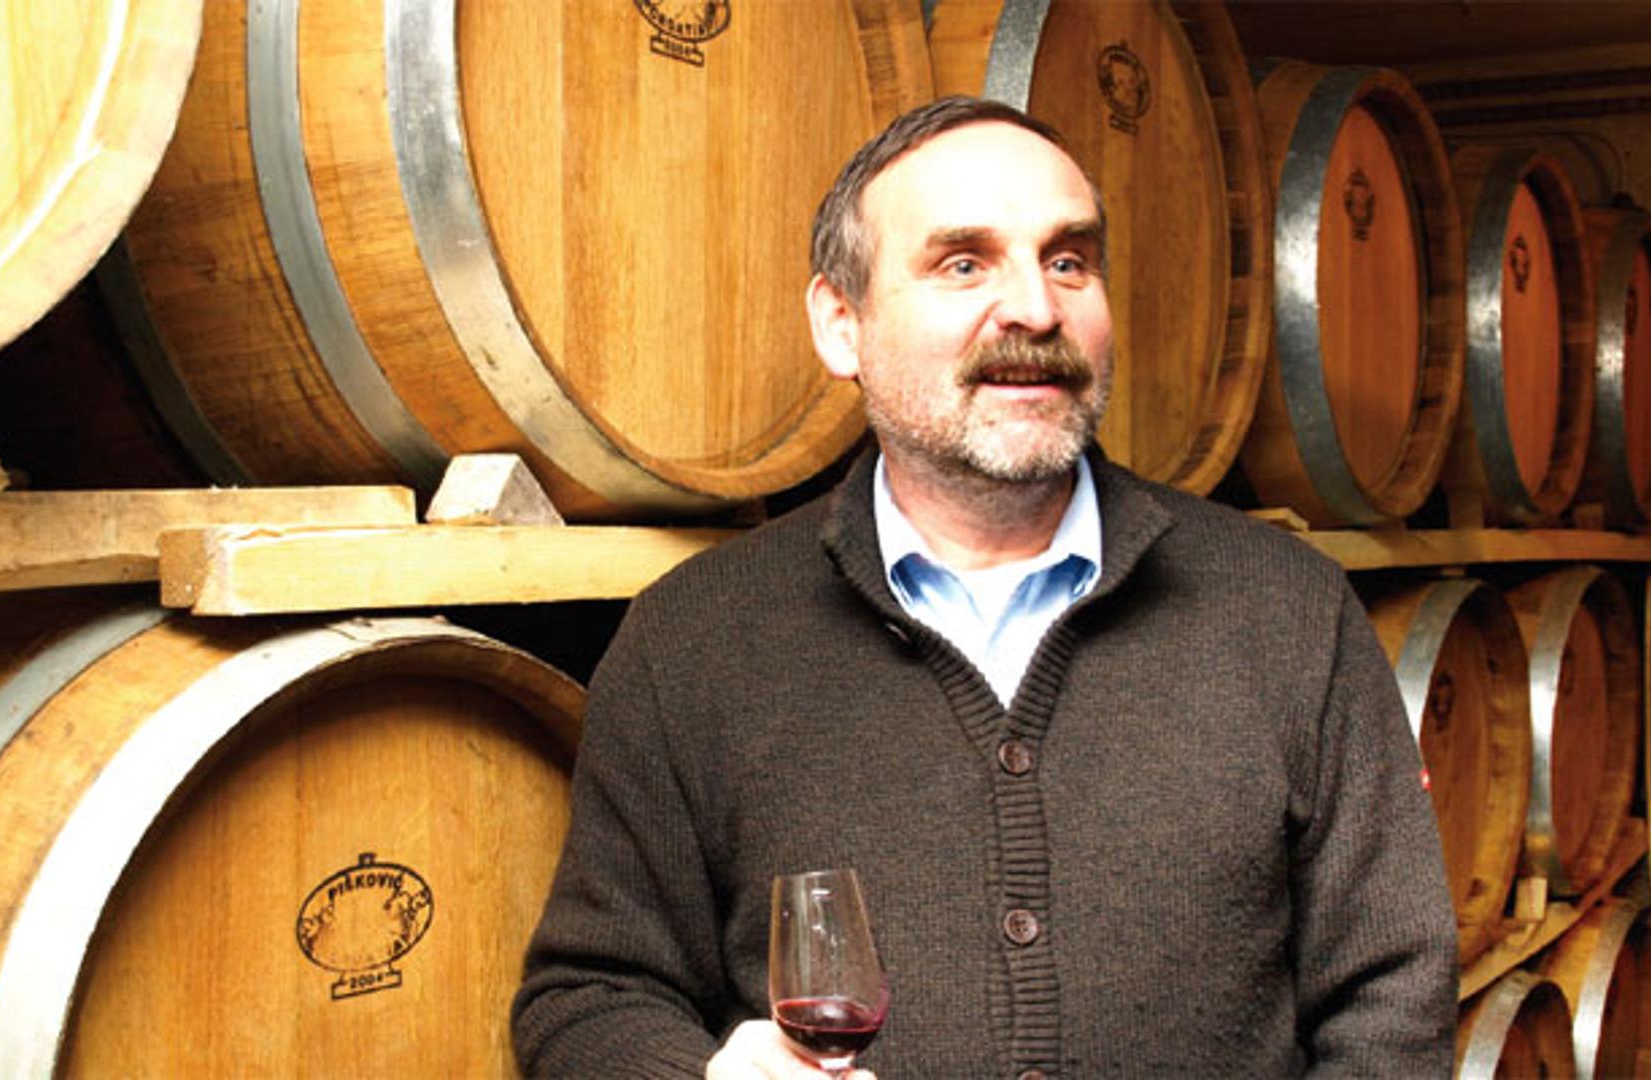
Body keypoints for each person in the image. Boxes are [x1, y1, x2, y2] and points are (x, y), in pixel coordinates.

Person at [510, 95, 1457, 1078]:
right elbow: (591, 999)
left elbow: (1391, 996)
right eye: (964, 264)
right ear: (841, 324)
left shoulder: (1289, 611)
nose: (1037, 310)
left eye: (1069, 261)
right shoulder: (692, 641)